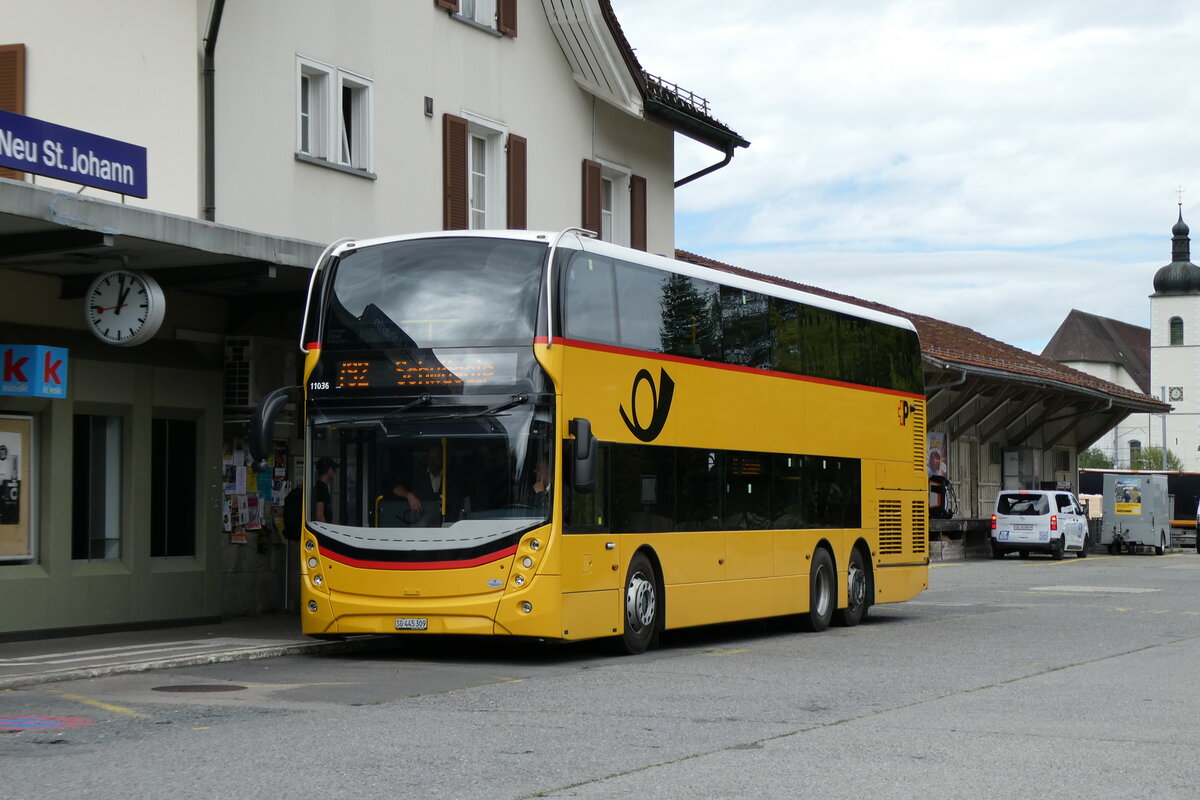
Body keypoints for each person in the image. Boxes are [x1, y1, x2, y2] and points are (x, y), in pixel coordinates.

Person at [392, 449, 444, 524]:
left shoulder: (451, 476)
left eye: (436, 458)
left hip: (446, 527)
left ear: (443, 459)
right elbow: (395, 487)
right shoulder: (416, 474)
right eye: (430, 458)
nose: (432, 462)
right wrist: (409, 495)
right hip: (420, 524)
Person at [312, 457, 338, 523]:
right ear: (329, 470)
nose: (335, 472)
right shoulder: (322, 488)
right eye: (334, 469)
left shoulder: (320, 487)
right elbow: (319, 515)